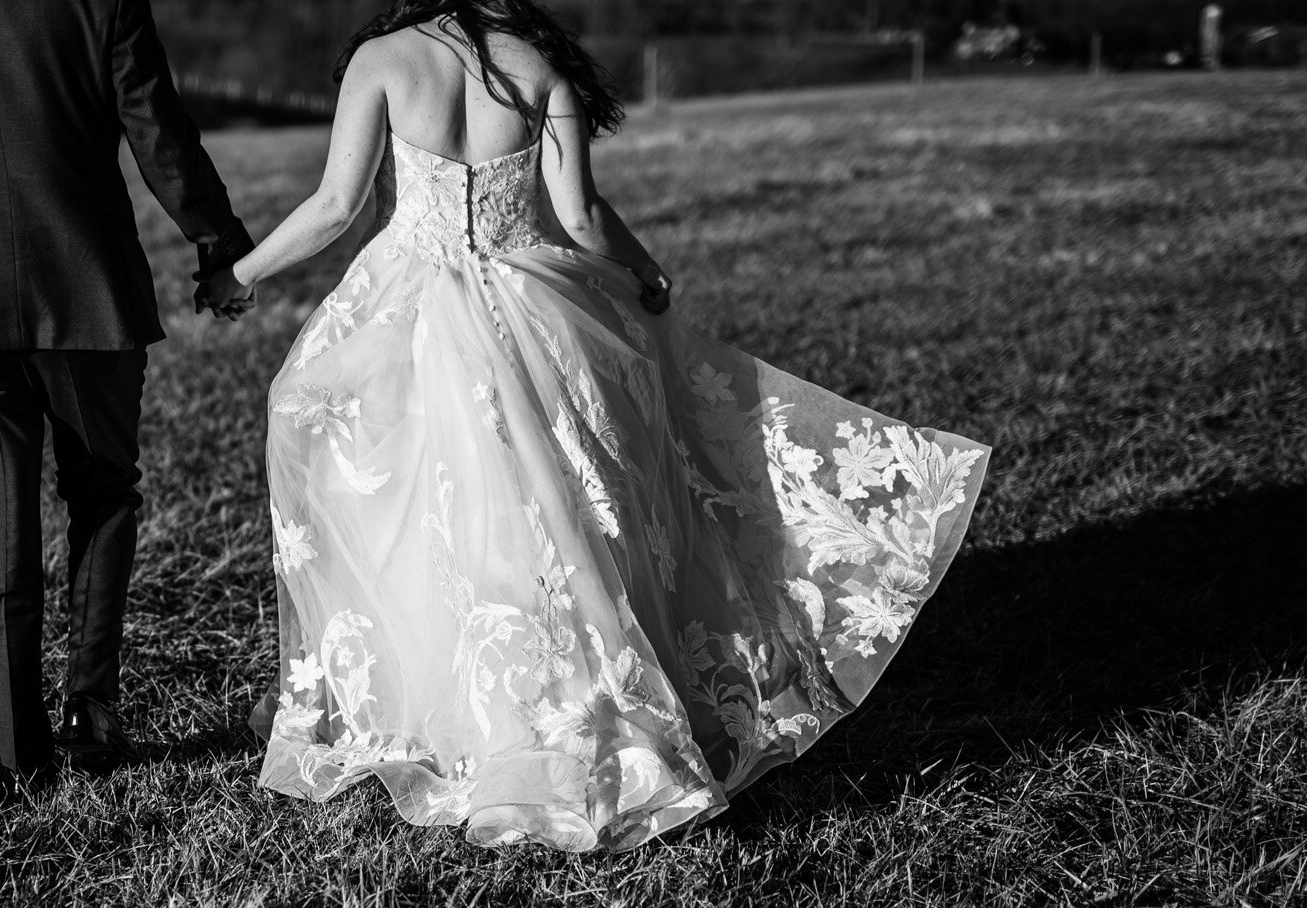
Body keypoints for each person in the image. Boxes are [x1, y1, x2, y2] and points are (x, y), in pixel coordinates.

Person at [197, 0, 990, 852]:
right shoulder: (540, 66)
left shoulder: (383, 60)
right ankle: (572, 712)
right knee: (557, 510)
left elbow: (334, 206)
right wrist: (645, 268)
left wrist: (238, 275)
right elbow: (578, 217)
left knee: (405, 492)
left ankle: (441, 707)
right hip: (533, 307)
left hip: (411, 308)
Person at [0, 0, 254, 799]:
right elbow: (156, 126)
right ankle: (90, 712)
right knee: (103, 492)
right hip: (87, 286)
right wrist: (217, 239)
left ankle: (18, 752)